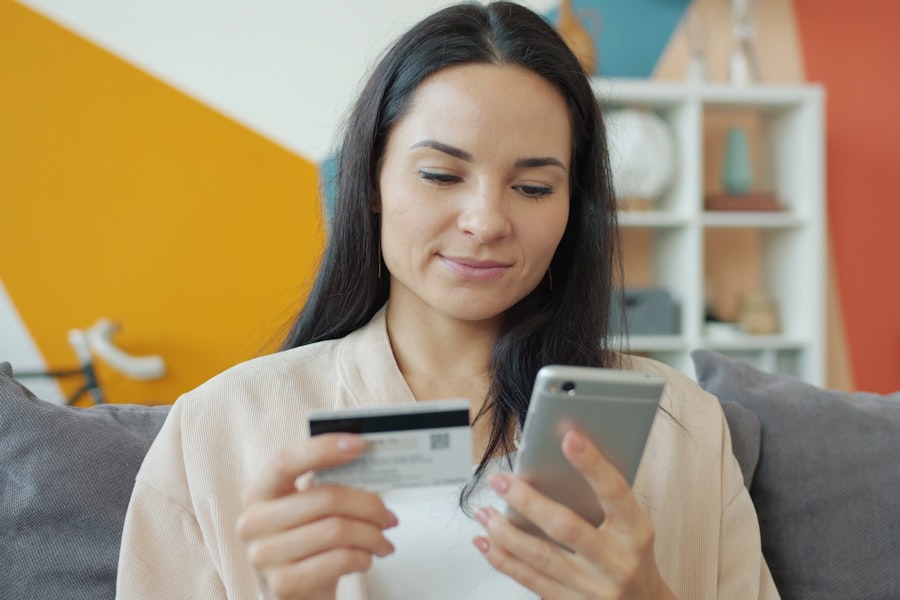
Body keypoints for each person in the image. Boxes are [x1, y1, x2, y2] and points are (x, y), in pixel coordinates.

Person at [116, 2, 779, 598]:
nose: (485, 221)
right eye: (440, 174)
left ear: (573, 208)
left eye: (534, 188)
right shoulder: (217, 430)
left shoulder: (683, 428)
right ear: (370, 181)